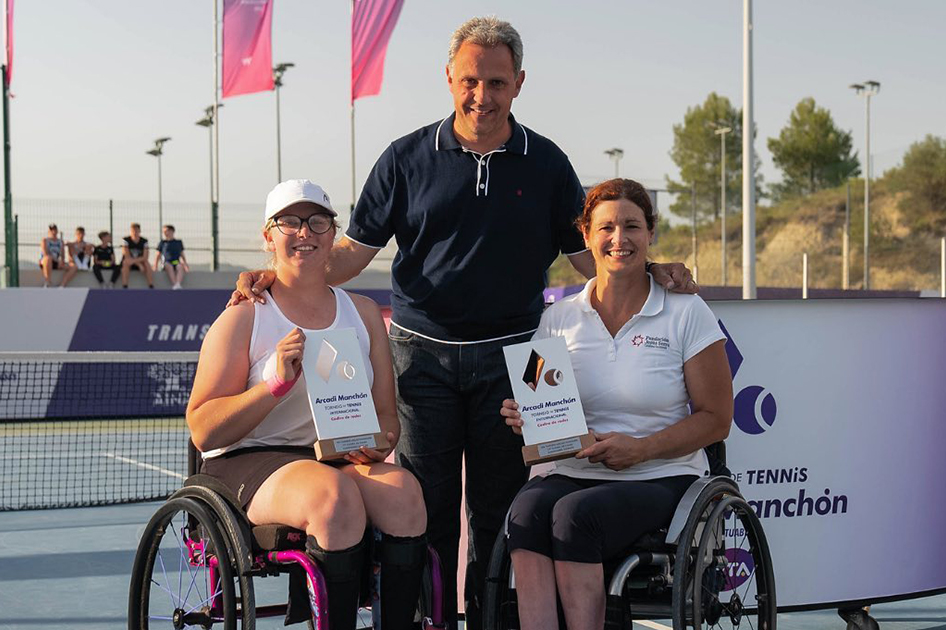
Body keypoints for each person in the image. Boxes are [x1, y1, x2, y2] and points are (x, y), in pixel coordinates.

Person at [230, 17, 695, 628]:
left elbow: (595, 261)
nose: (483, 95)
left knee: (500, 512)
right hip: (420, 362)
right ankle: (434, 621)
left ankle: (488, 618)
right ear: (449, 78)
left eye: (497, 82)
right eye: (470, 80)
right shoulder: (403, 158)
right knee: (427, 510)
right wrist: (276, 273)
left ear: (519, 83)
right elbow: (347, 255)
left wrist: (653, 268)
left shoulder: (548, 164)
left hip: (514, 362)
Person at [188, 179, 427, 630]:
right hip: (247, 460)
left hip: (330, 457)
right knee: (332, 497)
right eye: (290, 222)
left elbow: (386, 417)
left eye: (318, 222)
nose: (305, 233)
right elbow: (203, 428)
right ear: (268, 235)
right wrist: (274, 384)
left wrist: (380, 443)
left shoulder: (363, 314)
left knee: (405, 494)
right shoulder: (244, 315)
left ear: (332, 233)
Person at [499, 178, 733, 630]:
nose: (619, 239)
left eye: (632, 226)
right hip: (572, 469)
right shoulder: (558, 318)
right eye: (606, 227)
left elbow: (718, 419)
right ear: (585, 235)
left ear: (650, 234)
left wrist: (640, 449)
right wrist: (523, 416)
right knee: (525, 514)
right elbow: (536, 400)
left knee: (574, 516)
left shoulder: (686, 313)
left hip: (662, 473)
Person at [154, 224, 189, 289]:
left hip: (175, 262)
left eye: (166, 231)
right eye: (164, 231)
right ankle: (175, 283)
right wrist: (155, 266)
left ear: (172, 231)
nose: (165, 233)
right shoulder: (163, 242)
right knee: (169, 266)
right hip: (166, 262)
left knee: (180, 266)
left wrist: (185, 264)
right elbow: (158, 255)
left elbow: (182, 254)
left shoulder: (178, 242)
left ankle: (178, 284)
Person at [120, 222, 154, 288]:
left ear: (140, 231)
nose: (135, 232)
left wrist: (140, 263)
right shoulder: (126, 240)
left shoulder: (144, 241)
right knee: (125, 263)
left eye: (136, 230)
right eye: (133, 231)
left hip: (140, 261)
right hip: (130, 262)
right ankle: (125, 285)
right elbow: (127, 256)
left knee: (147, 264)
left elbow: (145, 257)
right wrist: (138, 264)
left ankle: (151, 285)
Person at [39, 223, 66, 288]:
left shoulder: (60, 241)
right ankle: (47, 281)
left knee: (73, 267)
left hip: (56, 263)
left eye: (54, 230)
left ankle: (62, 284)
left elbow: (63, 255)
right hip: (46, 262)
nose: (53, 232)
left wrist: (62, 261)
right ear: (49, 231)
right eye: (51, 230)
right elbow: (45, 253)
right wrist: (56, 260)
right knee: (48, 258)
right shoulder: (45, 240)